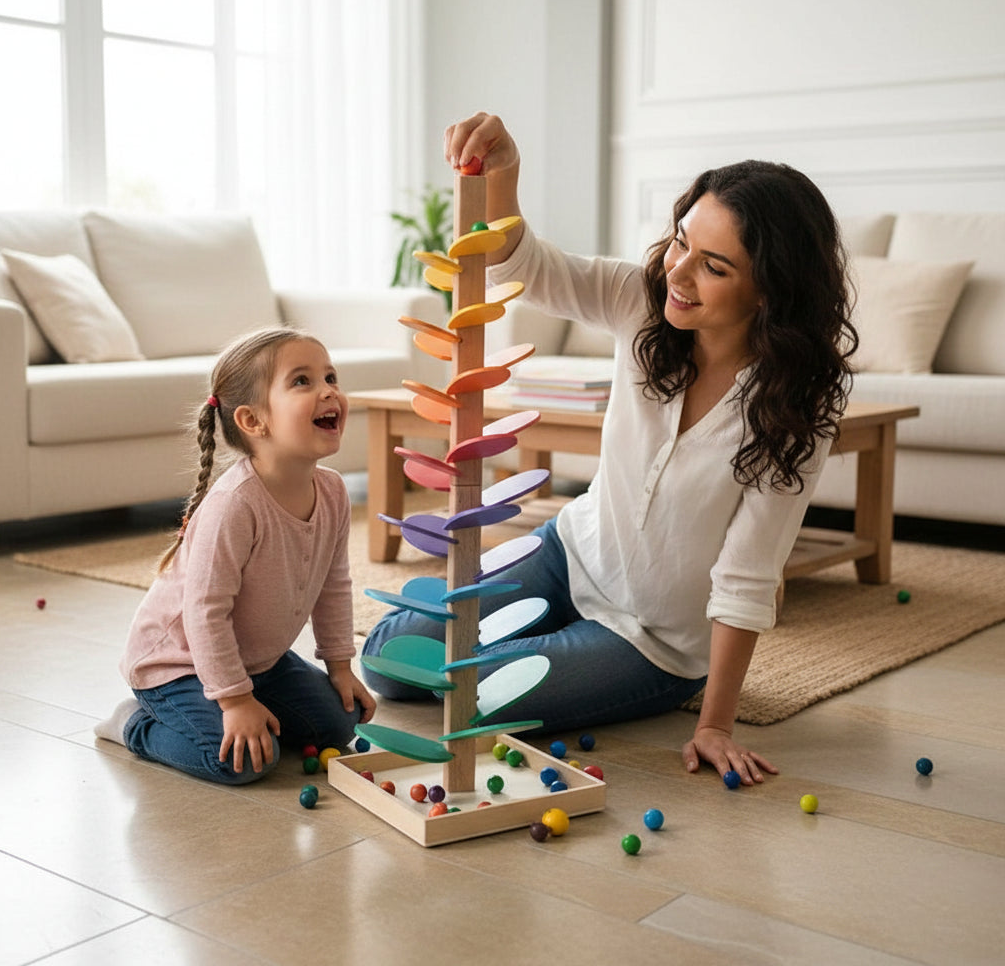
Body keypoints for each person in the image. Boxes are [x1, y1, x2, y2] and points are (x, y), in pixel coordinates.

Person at [362, 111, 857, 787]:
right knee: (389, 660)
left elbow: (749, 574)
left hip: (650, 642)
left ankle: (570, 665)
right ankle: (517, 640)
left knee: (478, 688)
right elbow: (529, 267)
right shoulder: (643, 301)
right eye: (681, 242)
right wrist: (504, 175)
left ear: (770, 290)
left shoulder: (803, 403)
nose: (678, 273)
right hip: (569, 554)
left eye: (712, 267)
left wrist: (713, 724)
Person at [95, 326, 376, 784]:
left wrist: (341, 668)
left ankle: (251, 706)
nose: (328, 391)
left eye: (330, 377)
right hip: (176, 666)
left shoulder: (333, 491)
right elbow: (206, 612)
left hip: (258, 661)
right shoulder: (235, 504)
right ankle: (134, 724)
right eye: (302, 381)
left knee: (337, 726)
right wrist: (234, 701)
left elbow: (333, 583)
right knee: (241, 763)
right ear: (252, 421)